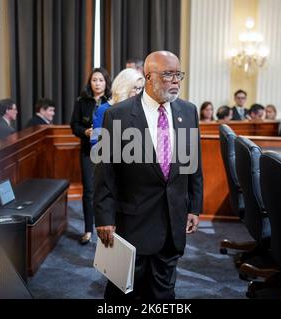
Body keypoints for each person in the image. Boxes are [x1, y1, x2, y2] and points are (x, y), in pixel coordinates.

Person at [94, 51, 203, 300]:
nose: (175, 81)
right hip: (132, 222)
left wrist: (195, 207)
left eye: (178, 75)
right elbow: (105, 173)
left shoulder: (187, 111)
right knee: (123, 292)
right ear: (148, 77)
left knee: (164, 293)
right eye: (168, 74)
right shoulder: (118, 115)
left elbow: (193, 165)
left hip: (172, 223)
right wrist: (104, 216)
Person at [71, 67, 112, 244]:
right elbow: (74, 125)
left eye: (101, 80)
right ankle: (88, 229)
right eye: (94, 80)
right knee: (88, 190)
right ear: (90, 82)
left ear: (106, 83)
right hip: (88, 151)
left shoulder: (111, 101)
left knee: (107, 188)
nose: (97, 83)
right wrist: (85, 132)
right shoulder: (82, 101)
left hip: (108, 151)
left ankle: (108, 225)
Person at [91, 68, 145, 145]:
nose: (138, 93)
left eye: (140, 88)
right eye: (134, 88)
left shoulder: (140, 109)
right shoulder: (103, 109)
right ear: (123, 87)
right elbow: (96, 142)